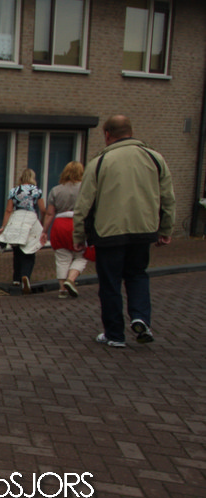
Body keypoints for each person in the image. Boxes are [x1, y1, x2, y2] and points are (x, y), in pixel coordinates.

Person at [73, 115, 176, 348]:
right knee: (137, 274)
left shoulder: (100, 161)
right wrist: (165, 229)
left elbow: (84, 204)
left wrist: (79, 236)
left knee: (110, 283)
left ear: (107, 134)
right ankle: (141, 318)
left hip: (109, 232)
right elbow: (168, 198)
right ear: (131, 131)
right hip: (144, 229)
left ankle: (115, 334)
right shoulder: (155, 158)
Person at [0, 168, 45, 294]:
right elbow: (43, 209)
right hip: (31, 219)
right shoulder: (37, 191)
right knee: (30, 249)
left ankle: (16, 279)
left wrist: (3, 227)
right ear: (33, 178)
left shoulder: (14, 191)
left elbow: (8, 210)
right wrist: (42, 223)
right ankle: (25, 275)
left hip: (16, 218)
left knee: (16, 250)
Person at [40, 161, 88, 298]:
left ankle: (62, 289)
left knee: (62, 258)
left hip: (60, 225)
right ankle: (71, 279)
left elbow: (50, 213)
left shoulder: (56, 190)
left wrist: (44, 231)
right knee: (82, 255)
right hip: (78, 223)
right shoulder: (85, 188)